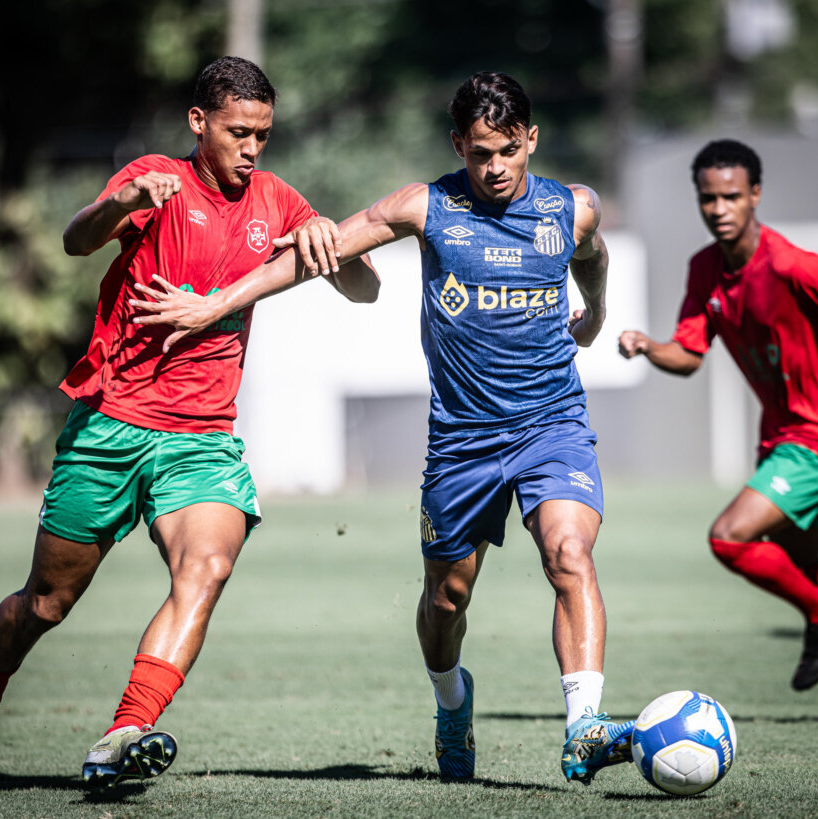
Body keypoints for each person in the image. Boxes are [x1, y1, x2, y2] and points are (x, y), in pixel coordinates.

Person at [129, 71, 632, 785]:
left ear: (532, 140)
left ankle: (583, 725)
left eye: (510, 151)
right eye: (481, 152)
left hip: (552, 423)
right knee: (446, 600)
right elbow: (317, 253)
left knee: (569, 552)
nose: (495, 168)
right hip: (462, 444)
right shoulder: (426, 206)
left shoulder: (570, 208)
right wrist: (215, 305)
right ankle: (452, 700)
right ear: (458, 144)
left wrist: (597, 312)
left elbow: (593, 254)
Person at [0, 55, 380, 793]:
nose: (253, 148)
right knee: (44, 604)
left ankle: (125, 730)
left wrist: (333, 248)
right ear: (198, 122)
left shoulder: (276, 200)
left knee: (205, 567)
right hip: (112, 423)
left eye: (264, 135)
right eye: (239, 132)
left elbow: (364, 292)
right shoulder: (154, 178)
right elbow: (78, 241)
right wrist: (123, 202)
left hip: (202, 436)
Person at [618, 138, 818, 721]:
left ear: (755, 194)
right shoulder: (705, 269)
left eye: (731, 195)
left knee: (729, 537)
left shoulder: (791, 264)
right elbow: (688, 355)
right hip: (782, 434)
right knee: (799, 563)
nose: (719, 208)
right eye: (709, 198)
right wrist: (648, 346)